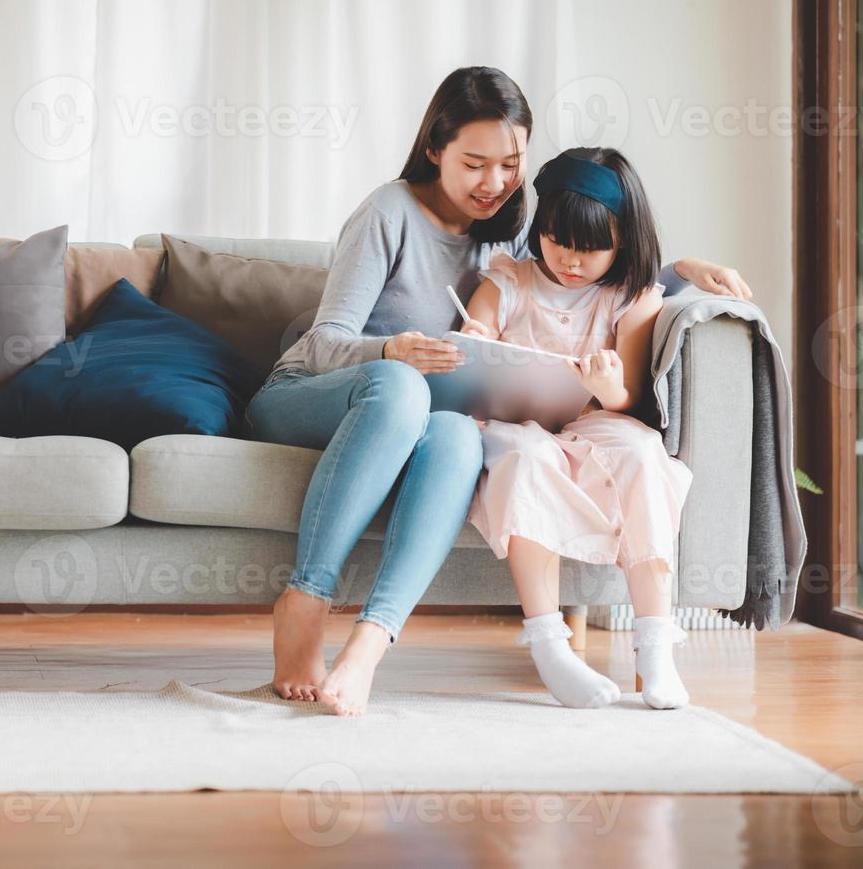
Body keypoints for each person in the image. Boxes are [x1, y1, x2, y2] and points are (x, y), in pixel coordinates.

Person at [247, 66, 750, 717]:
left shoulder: (513, 231)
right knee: (402, 388)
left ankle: (369, 645)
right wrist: (391, 350)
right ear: (435, 149)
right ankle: (305, 603)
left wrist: (679, 270)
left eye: (509, 164)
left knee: (455, 431)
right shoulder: (388, 212)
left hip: (424, 411)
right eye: (474, 163)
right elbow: (320, 343)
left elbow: (584, 263)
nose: (493, 184)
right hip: (314, 394)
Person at [462, 147, 692, 709]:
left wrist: (608, 382)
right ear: (540, 227)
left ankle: (655, 644)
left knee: (641, 453)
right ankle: (549, 647)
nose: (570, 259)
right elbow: (473, 346)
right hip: (518, 424)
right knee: (525, 458)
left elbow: (631, 399)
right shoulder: (507, 279)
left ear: (623, 243)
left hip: (594, 422)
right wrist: (476, 336)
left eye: (592, 249)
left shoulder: (627, 295)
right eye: (558, 240)